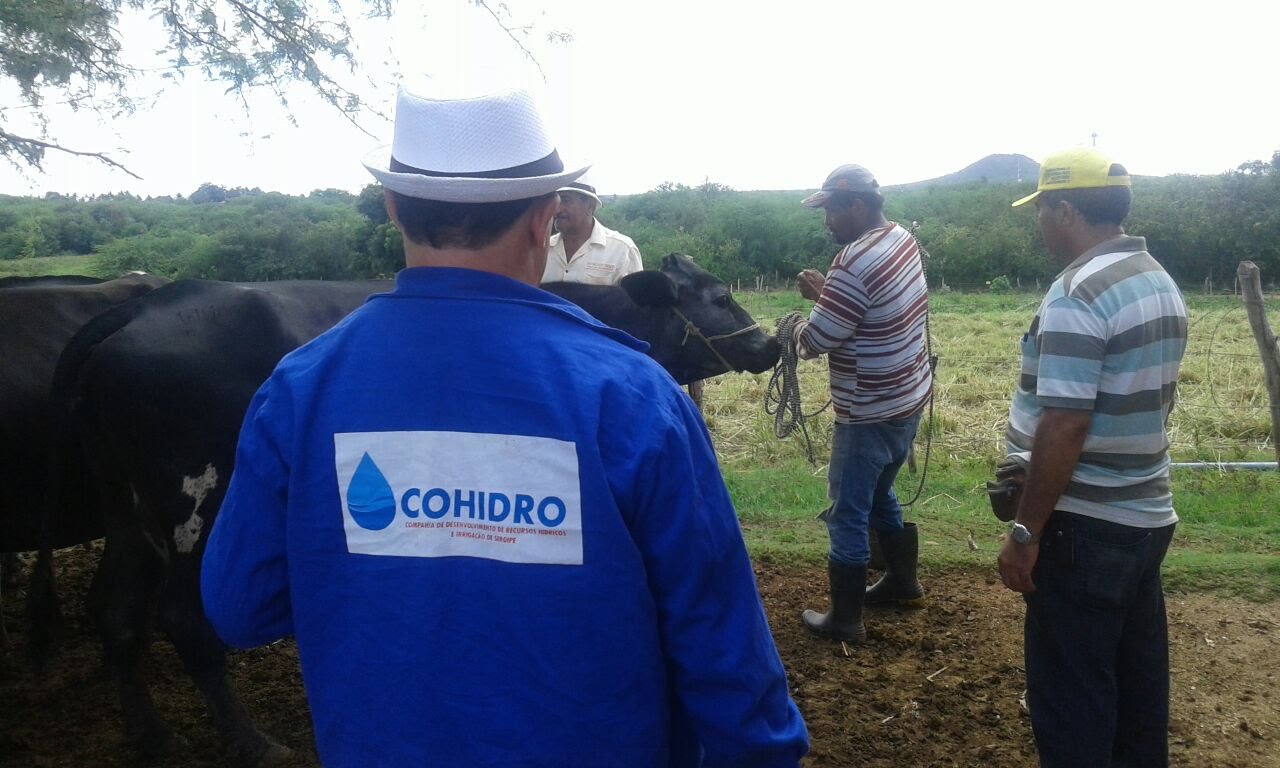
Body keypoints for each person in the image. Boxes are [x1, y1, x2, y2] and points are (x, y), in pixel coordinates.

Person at [200, 86, 808, 767]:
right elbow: (726, 660)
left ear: (394, 207)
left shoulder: (299, 388)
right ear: (543, 216)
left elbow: (239, 608)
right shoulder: (633, 395)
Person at [998, 147, 1187, 767]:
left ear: (1068, 210)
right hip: (1144, 514)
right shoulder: (1156, 278)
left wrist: (1027, 531)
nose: (1038, 224)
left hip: (1084, 528)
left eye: (1043, 210)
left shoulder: (1077, 293)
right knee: (1137, 696)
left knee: (1072, 698)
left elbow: (1067, 423)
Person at [792, 164, 933, 643]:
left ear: (855, 205)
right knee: (879, 493)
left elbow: (818, 339)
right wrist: (829, 297)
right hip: (907, 399)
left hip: (867, 410)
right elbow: (864, 309)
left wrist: (799, 322)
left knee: (847, 511)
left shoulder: (851, 261)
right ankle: (902, 582)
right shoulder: (901, 239)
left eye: (831, 209)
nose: (826, 220)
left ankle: (846, 619)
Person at [541, 172, 643, 285]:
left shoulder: (622, 249)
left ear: (590, 206)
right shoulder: (542, 248)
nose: (557, 210)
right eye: (556, 202)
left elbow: (635, 300)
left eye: (565, 201)